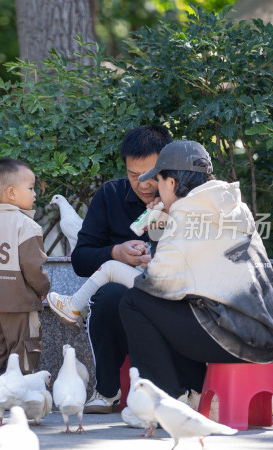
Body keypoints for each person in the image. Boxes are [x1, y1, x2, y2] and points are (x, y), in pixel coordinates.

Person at [118, 140, 273, 426]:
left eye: (159, 181)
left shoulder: (186, 217)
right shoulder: (234, 207)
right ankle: (197, 395)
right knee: (183, 305)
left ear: (173, 183)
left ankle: (162, 402)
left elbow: (157, 282)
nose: (156, 189)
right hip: (266, 338)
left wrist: (160, 228)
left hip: (235, 341)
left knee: (135, 302)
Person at [57, 125, 173, 413]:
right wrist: (115, 253)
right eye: (134, 176)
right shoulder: (110, 196)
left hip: (172, 298)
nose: (143, 184)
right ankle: (107, 391)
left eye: (150, 176)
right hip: (124, 300)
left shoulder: (183, 200)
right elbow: (81, 259)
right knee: (109, 295)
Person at [0, 158, 51, 386]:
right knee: (24, 345)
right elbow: (33, 267)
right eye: (31, 188)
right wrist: (43, 289)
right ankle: (20, 388)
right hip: (19, 303)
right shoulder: (27, 227)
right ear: (12, 193)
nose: (35, 194)